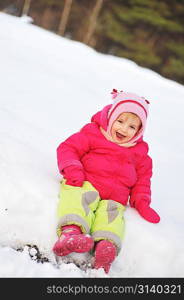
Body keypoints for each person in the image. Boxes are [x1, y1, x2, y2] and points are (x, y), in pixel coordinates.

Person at [53, 89, 160, 273]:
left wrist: (142, 202)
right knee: (77, 199)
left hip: (114, 199)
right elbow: (68, 148)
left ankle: (105, 248)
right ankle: (70, 234)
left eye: (132, 127)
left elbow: (143, 180)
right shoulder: (93, 134)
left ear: (139, 131)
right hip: (86, 183)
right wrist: (73, 169)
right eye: (120, 121)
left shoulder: (140, 154)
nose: (124, 129)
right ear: (111, 117)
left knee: (112, 217)